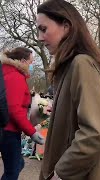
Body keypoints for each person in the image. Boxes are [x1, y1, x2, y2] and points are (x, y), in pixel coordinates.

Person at [36, 1, 100, 179]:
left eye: (43, 29)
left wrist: (61, 173)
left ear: (66, 26)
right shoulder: (71, 66)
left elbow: (96, 131)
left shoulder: (81, 63)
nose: (39, 37)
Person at [0, 47, 44, 180]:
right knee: (13, 171)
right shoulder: (15, 77)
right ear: (23, 61)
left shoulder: (7, 73)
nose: (31, 66)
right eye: (31, 62)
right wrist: (31, 131)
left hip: (6, 128)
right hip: (9, 130)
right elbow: (14, 109)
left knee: (18, 163)